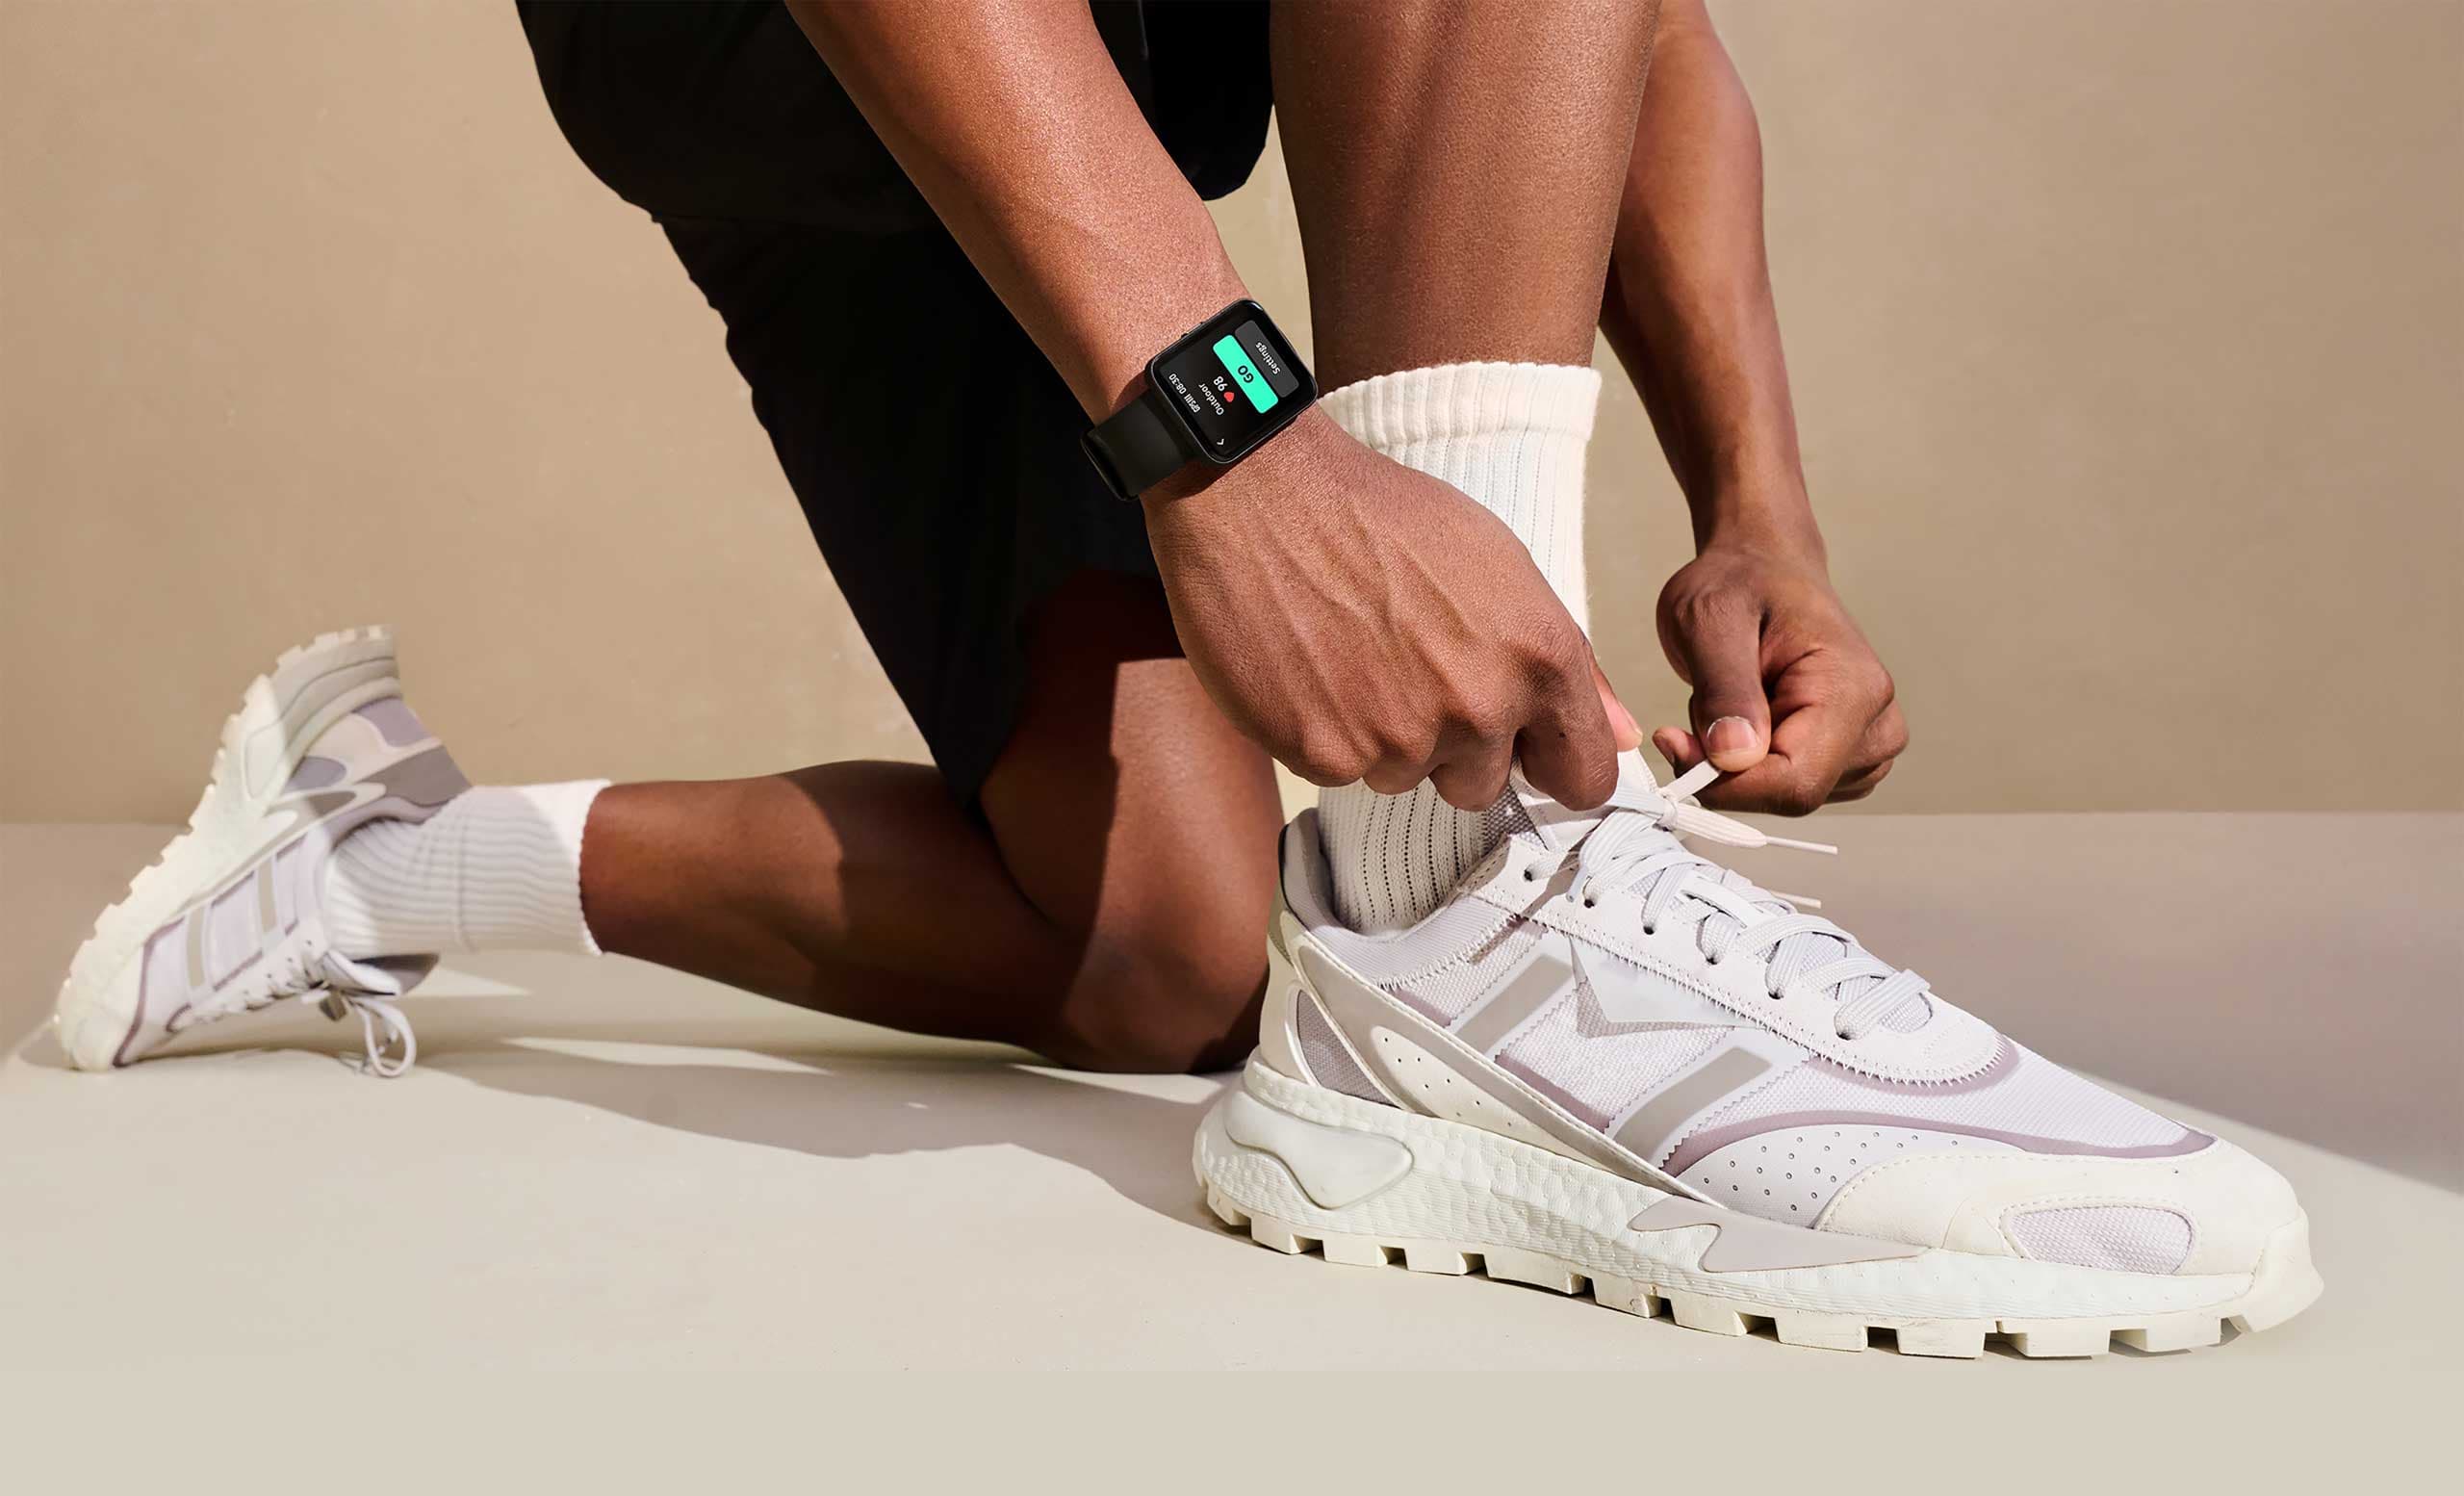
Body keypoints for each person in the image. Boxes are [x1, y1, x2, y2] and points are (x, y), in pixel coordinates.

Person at [54, 0, 2318, 1354]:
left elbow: (1627, 30)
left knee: (1170, 959)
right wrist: (1224, 441)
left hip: (1138, 69)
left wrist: (1758, 506)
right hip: (802, 55)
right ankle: (1479, 907)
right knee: (1347, 928)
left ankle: (383, 854)